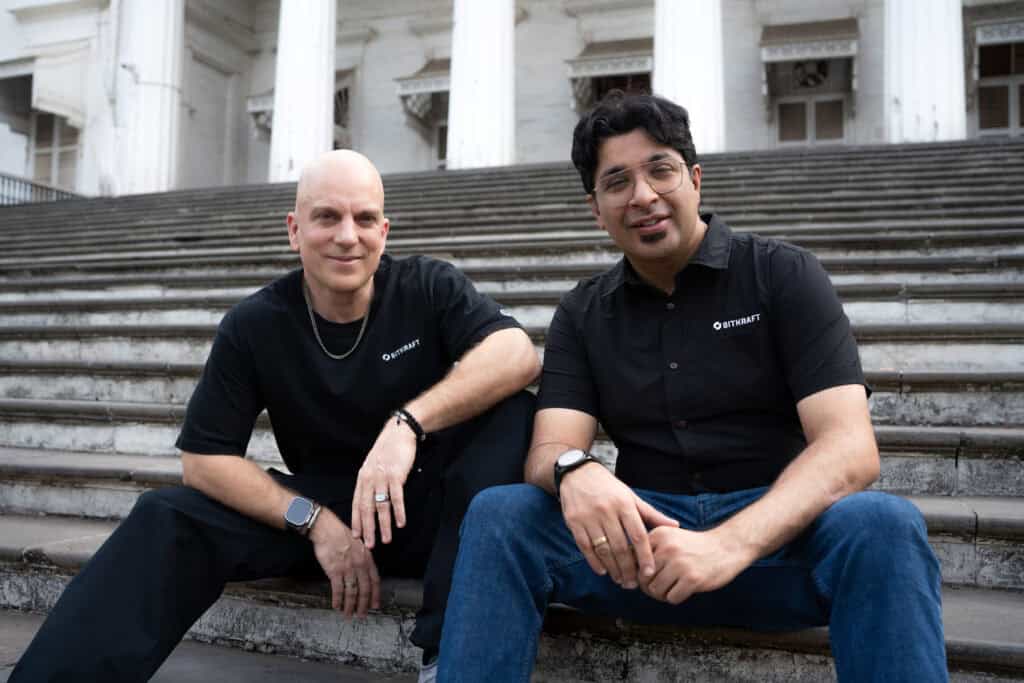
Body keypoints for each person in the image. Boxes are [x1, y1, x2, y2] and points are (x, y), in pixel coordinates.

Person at [437, 92, 946, 681]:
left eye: (661, 170)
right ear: (596, 210)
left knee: (884, 525)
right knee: (503, 514)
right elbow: (550, 449)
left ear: (695, 179)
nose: (644, 196)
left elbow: (850, 451)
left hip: (776, 544)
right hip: (641, 549)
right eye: (617, 181)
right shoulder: (583, 311)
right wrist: (576, 470)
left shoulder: (783, 275)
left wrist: (728, 545)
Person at [11, 150, 540, 683]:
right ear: (294, 229)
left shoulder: (427, 286)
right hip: (330, 509)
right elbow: (204, 460)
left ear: (384, 230)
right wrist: (314, 522)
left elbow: (517, 353)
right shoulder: (255, 324)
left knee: (514, 412)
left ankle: (451, 655)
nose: (347, 236)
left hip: (440, 513)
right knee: (168, 516)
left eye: (363, 219)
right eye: (327, 217)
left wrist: (406, 424)